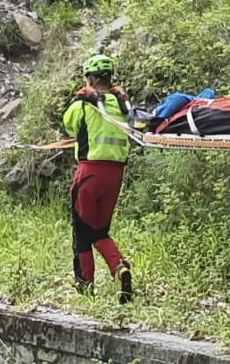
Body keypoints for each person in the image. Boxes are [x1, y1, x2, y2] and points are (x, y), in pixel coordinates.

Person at [62, 54, 142, 304]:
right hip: (115, 175)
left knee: (82, 234)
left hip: (89, 174)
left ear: (92, 78)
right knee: (100, 230)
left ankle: (85, 288)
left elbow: (69, 126)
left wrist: (78, 99)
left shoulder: (83, 104)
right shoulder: (121, 104)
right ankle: (119, 267)